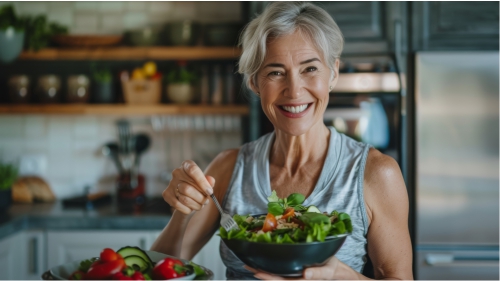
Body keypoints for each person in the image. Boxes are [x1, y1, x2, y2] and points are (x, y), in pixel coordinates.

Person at [151, 2, 413, 280]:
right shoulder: (229, 167)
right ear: (254, 81)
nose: (295, 90)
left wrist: (343, 277)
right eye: (275, 72)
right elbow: (158, 269)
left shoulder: (375, 174)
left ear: (333, 73)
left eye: (310, 69)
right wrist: (181, 212)